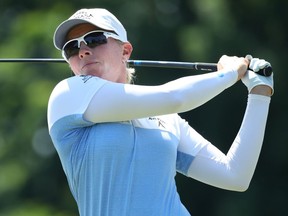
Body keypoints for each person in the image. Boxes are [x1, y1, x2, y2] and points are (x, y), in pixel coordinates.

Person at [47, 8, 274, 216]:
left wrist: (259, 93)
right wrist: (229, 74)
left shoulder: (166, 119)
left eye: (94, 39)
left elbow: (235, 176)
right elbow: (174, 97)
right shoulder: (67, 96)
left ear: (125, 50)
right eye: (72, 48)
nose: (83, 51)